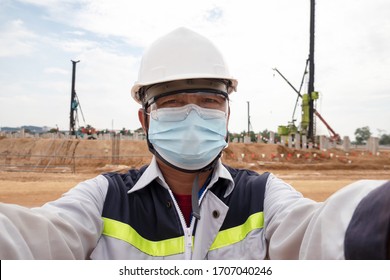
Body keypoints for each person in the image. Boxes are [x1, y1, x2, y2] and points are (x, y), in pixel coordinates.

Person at [0, 27, 389, 260]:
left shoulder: (263, 195)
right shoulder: (103, 199)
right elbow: (35, 237)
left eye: (209, 101)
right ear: (145, 119)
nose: (192, 114)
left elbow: (319, 232)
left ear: (226, 116)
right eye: (171, 103)